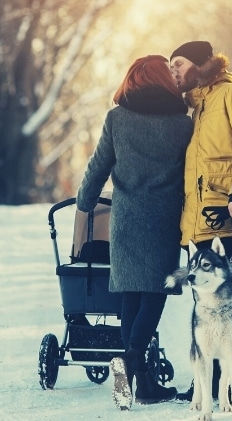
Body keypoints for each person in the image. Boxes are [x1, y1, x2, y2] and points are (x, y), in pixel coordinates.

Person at [76, 55, 193, 407]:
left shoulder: (117, 118)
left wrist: (85, 202)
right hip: (164, 218)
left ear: (132, 80)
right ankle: (135, 368)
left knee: (130, 292)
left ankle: (135, 378)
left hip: (125, 219)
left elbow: (99, 164)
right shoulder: (183, 124)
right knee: (154, 292)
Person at [169, 40, 232, 405]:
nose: (174, 72)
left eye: (178, 64)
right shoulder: (197, 108)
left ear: (199, 64)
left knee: (230, 304)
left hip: (230, 220)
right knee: (210, 306)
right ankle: (222, 386)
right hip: (201, 224)